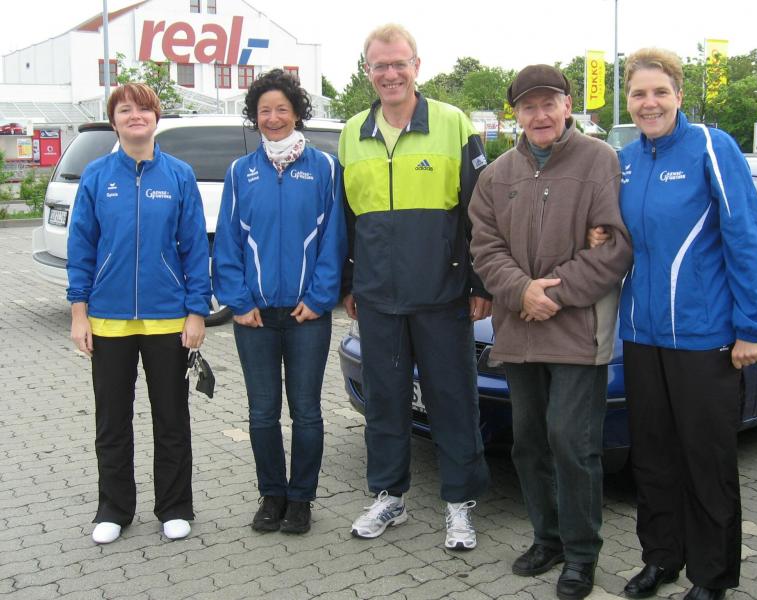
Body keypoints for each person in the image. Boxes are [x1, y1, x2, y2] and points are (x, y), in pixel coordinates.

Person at [611, 48, 757, 600]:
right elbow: (621, 235)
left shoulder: (712, 145)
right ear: (628, 100)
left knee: (706, 463)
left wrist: (752, 326)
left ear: (679, 95)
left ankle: (712, 576)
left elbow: (747, 236)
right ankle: (661, 558)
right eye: (639, 93)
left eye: (660, 92)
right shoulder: (627, 160)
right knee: (653, 459)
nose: (649, 103)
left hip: (705, 338)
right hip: (641, 334)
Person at [469, 65, 632, 599]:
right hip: (519, 331)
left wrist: (553, 295)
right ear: (515, 113)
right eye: (528, 106)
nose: (539, 115)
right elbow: (484, 247)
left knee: (571, 442)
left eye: (549, 103)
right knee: (530, 443)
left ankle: (582, 555)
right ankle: (548, 539)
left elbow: (614, 247)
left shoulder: (600, 161)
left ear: (567, 105)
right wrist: (522, 292)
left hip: (579, 331)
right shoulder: (496, 175)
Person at [338, 23, 491, 550]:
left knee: (453, 400)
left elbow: (479, 213)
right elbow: (348, 219)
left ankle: (460, 503)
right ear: (368, 71)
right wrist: (349, 283)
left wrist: (478, 282)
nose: (390, 73)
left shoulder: (453, 123)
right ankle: (389, 496)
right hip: (377, 296)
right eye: (380, 65)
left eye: (399, 63)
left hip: (442, 294)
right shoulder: (352, 132)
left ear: (416, 66)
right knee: (384, 401)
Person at [67, 83, 210, 544]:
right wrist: (79, 313)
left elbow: (194, 248)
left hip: (168, 318)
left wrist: (196, 312)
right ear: (114, 121)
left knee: (172, 418)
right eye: (125, 109)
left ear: (155, 118)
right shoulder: (96, 176)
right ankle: (113, 508)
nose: (135, 116)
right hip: (108, 320)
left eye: (143, 109)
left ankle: (175, 506)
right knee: (112, 420)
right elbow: (81, 247)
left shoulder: (179, 175)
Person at [212, 69, 346, 535]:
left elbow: (334, 239)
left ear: (296, 113)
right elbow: (227, 242)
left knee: (306, 412)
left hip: (307, 315)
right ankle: (272, 496)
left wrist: (320, 297)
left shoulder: (325, 168)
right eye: (264, 110)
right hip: (255, 316)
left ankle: (301, 499)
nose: (272, 118)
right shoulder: (240, 172)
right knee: (262, 412)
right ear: (255, 116)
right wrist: (237, 301)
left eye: (281, 109)